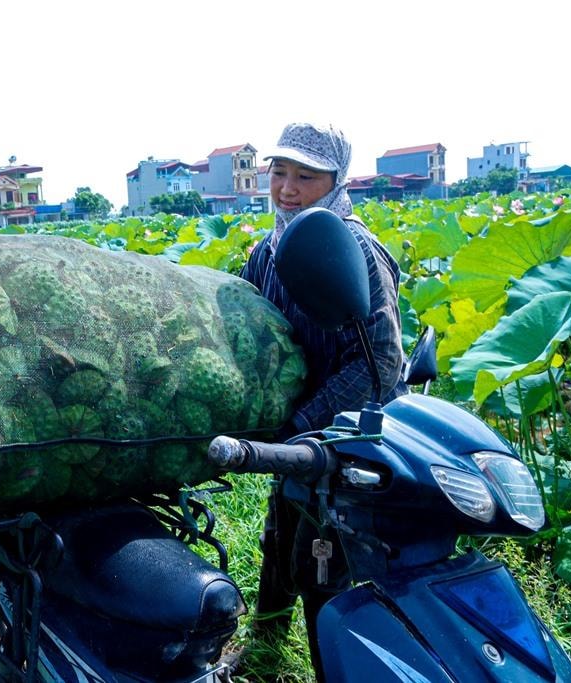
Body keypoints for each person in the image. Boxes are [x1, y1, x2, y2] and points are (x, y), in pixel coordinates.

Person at [239, 122, 407, 675]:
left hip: (348, 433)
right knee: (280, 535)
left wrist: (305, 425)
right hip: (293, 428)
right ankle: (266, 649)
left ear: (335, 181)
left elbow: (380, 364)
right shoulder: (266, 250)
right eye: (279, 172)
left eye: (305, 177)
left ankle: (331, 665)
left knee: (325, 557)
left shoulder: (356, 248)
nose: (287, 188)